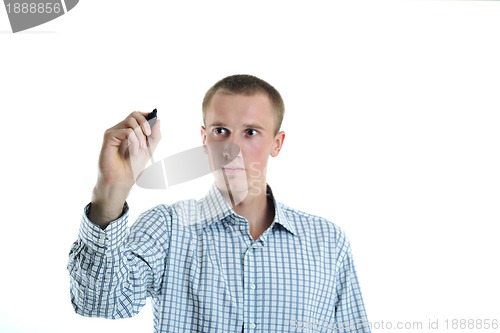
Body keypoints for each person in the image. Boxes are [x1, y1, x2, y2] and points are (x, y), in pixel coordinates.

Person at [68, 74, 371, 332]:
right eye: (220, 131)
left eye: (251, 132)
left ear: (276, 144)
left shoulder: (328, 243)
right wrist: (110, 191)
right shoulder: (167, 228)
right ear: (204, 139)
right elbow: (99, 303)